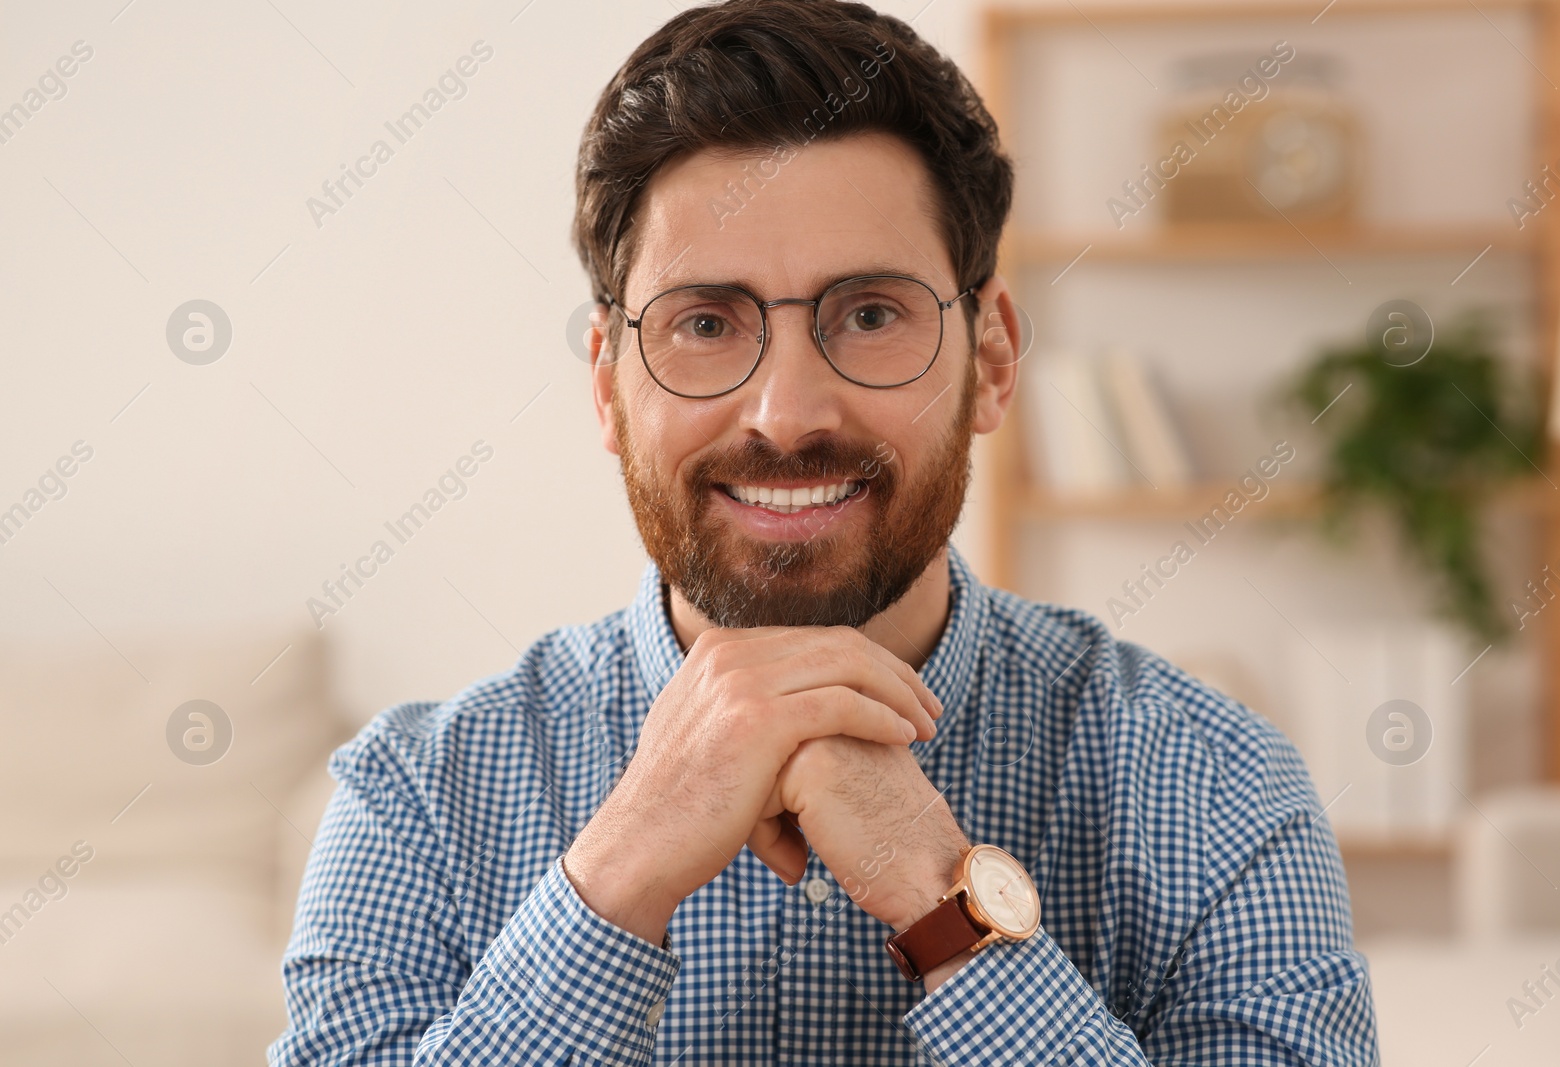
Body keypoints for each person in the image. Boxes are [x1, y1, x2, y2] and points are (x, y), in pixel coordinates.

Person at [270, 1, 1378, 1062]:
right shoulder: (412, 797)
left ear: (990, 357)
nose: (787, 411)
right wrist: (618, 871)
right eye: (706, 323)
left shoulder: (1218, 786)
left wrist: (939, 890)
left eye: (869, 313)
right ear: (607, 387)